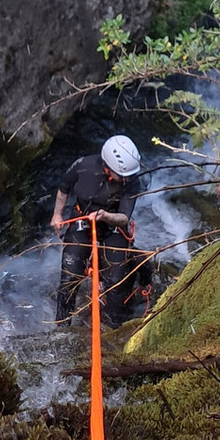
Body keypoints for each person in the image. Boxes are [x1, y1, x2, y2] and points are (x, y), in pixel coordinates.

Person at [50, 134, 142, 327]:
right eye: (122, 176)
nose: (125, 180)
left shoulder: (132, 181)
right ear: (108, 166)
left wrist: (106, 217)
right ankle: (62, 325)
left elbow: (124, 216)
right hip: (83, 219)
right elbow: (64, 187)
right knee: (69, 276)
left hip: (114, 224)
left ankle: (110, 327)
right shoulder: (83, 166)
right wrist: (57, 215)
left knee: (116, 280)